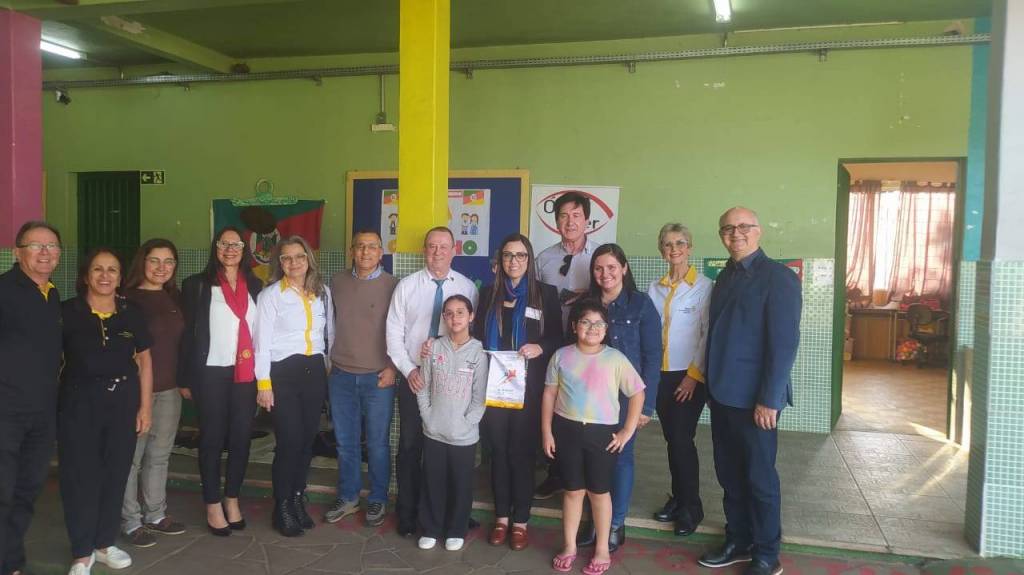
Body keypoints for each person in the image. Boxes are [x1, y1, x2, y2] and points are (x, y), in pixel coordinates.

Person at [697, 207, 801, 575]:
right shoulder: (725, 276)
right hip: (723, 396)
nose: (735, 233)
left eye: (743, 227)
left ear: (759, 231)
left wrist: (769, 399)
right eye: (727, 228)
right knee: (729, 475)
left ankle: (767, 553)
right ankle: (738, 540)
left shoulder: (778, 278)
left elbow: (784, 344)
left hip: (756, 401)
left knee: (759, 478)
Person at [59, 248, 153, 575]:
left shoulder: (131, 312)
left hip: (123, 402)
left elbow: (144, 360)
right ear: (86, 276)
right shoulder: (67, 312)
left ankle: (103, 544)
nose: (105, 275)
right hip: (78, 402)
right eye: (97, 269)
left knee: (116, 473)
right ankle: (81, 552)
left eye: (112, 269)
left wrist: (145, 407)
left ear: (120, 277)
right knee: (79, 476)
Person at [386, 227, 478, 537]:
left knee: (449, 450)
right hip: (415, 378)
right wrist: (409, 370)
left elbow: (470, 334)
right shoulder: (407, 286)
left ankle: (452, 514)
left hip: (454, 384)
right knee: (410, 446)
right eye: (431, 246)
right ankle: (409, 513)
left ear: (454, 250)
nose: (437, 252)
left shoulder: (467, 287)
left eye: (443, 246)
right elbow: (393, 334)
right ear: (424, 250)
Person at [473, 233, 562, 550]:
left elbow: (558, 338)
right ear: (500, 261)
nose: (514, 261)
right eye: (508, 255)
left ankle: (521, 521)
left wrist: (540, 347)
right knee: (498, 453)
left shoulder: (545, 294)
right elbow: (476, 337)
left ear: (529, 259)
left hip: (529, 389)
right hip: (494, 388)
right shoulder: (488, 294)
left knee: (522, 455)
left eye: (520, 255)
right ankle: (501, 518)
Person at [542, 299, 644, 575]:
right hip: (567, 431)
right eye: (586, 322)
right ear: (575, 326)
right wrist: (547, 431)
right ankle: (569, 546)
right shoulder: (561, 356)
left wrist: (627, 431)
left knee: (599, 493)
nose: (592, 328)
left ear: (606, 329)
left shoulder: (615, 358)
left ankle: (601, 549)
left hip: (602, 435)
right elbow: (549, 394)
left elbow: (637, 393)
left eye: (599, 323)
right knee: (573, 491)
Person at [576, 243, 661, 552]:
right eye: (598, 268)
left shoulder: (641, 305)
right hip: (589, 396)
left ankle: (615, 524)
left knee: (621, 457)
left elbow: (653, 357)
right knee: (592, 458)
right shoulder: (586, 304)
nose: (605, 274)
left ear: (624, 268)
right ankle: (594, 520)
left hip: (627, 397)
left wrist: (647, 405)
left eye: (612, 267)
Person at [179, 227, 263, 536]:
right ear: (215, 248)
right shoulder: (197, 285)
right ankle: (212, 503)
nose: (230, 249)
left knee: (241, 437)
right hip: (210, 373)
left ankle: (232, 499)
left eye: (236, 244)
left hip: (245, 373)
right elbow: (187, 334)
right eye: (223, 243)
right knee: (212, 438)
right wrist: (184, 377)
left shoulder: (255, 284)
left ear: (244, 249)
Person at [254, 236, 334, 537]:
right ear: (280, 263)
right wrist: (264, 384)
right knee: (288, 441)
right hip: (283, 373)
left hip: (314, 371)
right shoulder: (271, 295)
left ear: (308, 258)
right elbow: (261, 344)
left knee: (306, 441)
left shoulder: (321, 292)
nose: (294, 263)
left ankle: (298, 498)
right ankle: (283, 505)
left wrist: (327, 366)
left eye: (299, 256)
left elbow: (328, 334)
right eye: (286, 258)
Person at [0, 222, 63, 575]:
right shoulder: (4, 290)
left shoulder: (51, 294)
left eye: (51, 246)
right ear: (17, 252)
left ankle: (11, 560)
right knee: (2, 491)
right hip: (6, 411)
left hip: (41, 412)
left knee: (27, 489)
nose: (45, 252)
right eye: (36, 245)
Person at [324, 229, 399, 527]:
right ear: (352, 251)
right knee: (346, 443)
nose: (365, 252)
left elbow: (401, 330)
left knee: (378, 443)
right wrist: (329, 363)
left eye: (372, 247)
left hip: (378, 377)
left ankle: (378, 498)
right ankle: (348, 497)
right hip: (341, 375)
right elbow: (328, 325)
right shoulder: (337, 283)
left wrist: (392, 367)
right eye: (360, 246)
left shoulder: (394, 285)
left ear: (381, 252)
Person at [120, 240, 187, 548]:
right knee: (131, 458)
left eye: (168, 261)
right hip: (136, 391)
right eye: (154, 260)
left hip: (170, 389)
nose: (162, 267)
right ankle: (130, 521)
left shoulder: (175, 297)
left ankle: (156, 514)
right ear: (142, 262)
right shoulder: (126, 298)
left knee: (159, 456)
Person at [533, 191, 599, 499]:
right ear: (556, 222)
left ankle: (587, 479)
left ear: (587, 220)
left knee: (581, 409)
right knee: (552, 406)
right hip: (550, 343)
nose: (569, 222)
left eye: (576, 216)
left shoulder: (599, 257)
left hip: (586, 347)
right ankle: (555, 472)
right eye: (563, 216)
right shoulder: (544, 258)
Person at [648, 224, 712, 537]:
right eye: (668, 244)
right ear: (661, 250)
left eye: (680, 243)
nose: (674, 249)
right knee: (672, 439)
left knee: (682, 440)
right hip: (660, 375)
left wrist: (693, 376)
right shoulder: (654, 288)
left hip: (688, 377)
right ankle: (678, 498)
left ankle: (691, 508)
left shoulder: (704, 286)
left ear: (690, 248)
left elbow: (706, 335)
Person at [415, 295, 488, 552]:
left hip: (464, 435)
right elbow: (423, 387)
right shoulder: (433, 348)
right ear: (443, 318)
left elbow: (480, 397)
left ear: (471, 316)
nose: (454, 318)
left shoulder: (478, 353)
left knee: (461, 484)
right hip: (434, 431)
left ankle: (457, 529)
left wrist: (467, 423)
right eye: (449, 313)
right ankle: (431, 528)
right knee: (433, 481)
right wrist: (428, 416)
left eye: (460, 312)